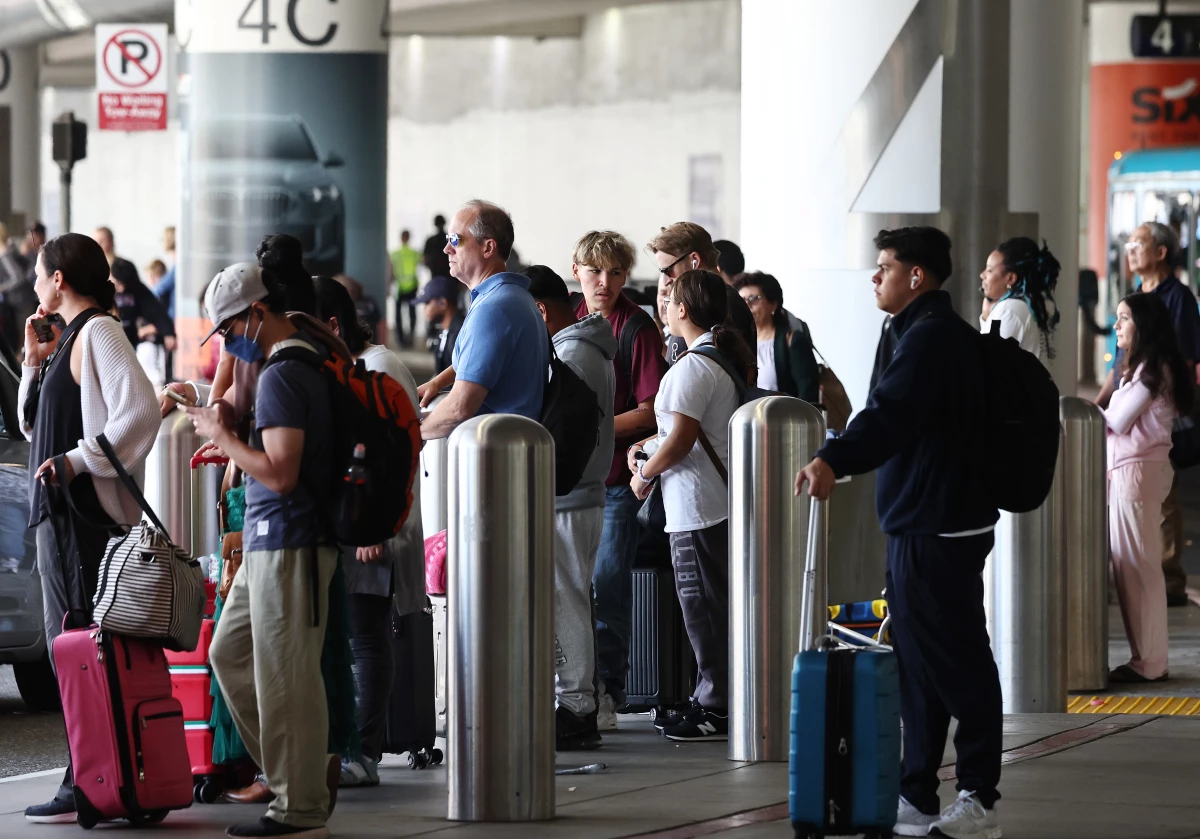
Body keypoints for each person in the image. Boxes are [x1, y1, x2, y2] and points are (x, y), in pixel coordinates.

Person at [794, 227, 1003, 839]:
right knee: (919, 661)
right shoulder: (906, 331)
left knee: (958, 659)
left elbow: (891, 415)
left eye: (884, 266)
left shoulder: (934, 338)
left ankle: (979, 798)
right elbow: (884, 412)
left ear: (917, 276)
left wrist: (836, 459)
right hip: (918, 519)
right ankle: (919, 794)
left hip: (943, 524)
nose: (874, 276)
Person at [187, 264, 341, 839]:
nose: (227, 343)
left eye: (228, 330)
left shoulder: (285, 374)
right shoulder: (292, 363)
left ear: (256, 313)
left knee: (285, 677)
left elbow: (280, 473)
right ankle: (300, 768)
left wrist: (221, 436)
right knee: (231, 655)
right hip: (269, 542)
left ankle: (295, 805)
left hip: (292, 542)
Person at [18, 233, 160, 824]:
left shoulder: (100, 330)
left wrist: (78, 461)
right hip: (61, 516)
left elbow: (142, 408)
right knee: (68, 648)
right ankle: (92, 772)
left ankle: (92, 778)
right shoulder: (70, 337)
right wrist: (32, 362)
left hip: (82, 519)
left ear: (60, 280)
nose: (32, 280)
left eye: (38, 271)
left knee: (78, 646)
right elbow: (33, 428)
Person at [627, 269, 750, 742]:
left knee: (702, 606)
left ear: (682, 309)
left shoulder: (692, 368)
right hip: (706, 505)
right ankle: (710, 696)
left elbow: (680, 440)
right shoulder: (711, 361)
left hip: (698, 508)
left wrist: (644, 472)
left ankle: (716, 706)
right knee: (707, 605)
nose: (662, 304)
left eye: (668, 297)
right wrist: (651, 452)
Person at [311, 277, 425, 784]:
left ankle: (365, 752)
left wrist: (377, 525)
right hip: (355, 527)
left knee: (366, 638)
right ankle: (351, 746)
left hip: (373, 531)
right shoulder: (351, 367)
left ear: (333, 326)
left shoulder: (378, 370)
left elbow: (390, 457)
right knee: (357, 636)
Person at [569, 231, 666, 727]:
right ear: (576, 270)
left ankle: (609, 689)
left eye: (613, 273)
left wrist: (593, 427)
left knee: (607, 585)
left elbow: (651, 411)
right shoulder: (563, 316)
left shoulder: (637, 329)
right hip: (565, 484)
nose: (602, 282)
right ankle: (575, 689)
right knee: (568, 586)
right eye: (594, 271)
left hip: (613, 484)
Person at [525, 264, 616, 750]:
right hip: (582, 492)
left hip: (569, 493)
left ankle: (578, 707)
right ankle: (582, 699)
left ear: (540, 310)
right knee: (572, 595)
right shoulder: (586, 346)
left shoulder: (574, 352)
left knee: (566, 600)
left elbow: (562, 428)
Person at [1098, 222, 1200, 608]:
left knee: (1163, 493)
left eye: (1139, 244)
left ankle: (1169, 576)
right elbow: (1119, 362)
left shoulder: (1179, 299)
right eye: (1129, 244)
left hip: (1157, 404)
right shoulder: (1134, 298)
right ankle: (1142, 568)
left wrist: (1169, 401)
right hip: (1130, 399)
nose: (1130, 251)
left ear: (1161, 252)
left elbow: (1184, 360)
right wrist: (1104, 400)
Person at [1104, 293, 1192, 684]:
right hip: (1133, 472)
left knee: (1139, 568)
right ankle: (1146, 658)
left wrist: (1092, 411)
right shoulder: (1143, 368)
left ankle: (1150, 662)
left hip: (1137, 473)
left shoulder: (1153, 370)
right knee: (1132, 568)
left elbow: (1118, 420)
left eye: (1124, 318)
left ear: (1144, 324)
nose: (1117, 326)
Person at [417, 200, 548, 439]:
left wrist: (407, 436)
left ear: (488, 248)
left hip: (496, 452)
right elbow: (477, 361)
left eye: (455, 240)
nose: (447, 249)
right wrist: (437, 382)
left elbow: (459, 408)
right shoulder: (509, 296)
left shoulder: (494, 310)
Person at [648, 223, 755, 365]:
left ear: (695, 261)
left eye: (668, 270)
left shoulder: (725, 303)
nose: (667, 281)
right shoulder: (700, 300)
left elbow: (720, 373)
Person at [733, 272, 819, 400]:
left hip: (783, 417)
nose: (748, 305)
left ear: (773, 304)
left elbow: (808, 395)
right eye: (742, 300)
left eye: (754, 298)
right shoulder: (737, 343)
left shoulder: (792, 341)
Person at [979, 237, 1061, 362]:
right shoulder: (1035, 304)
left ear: (1011, 279)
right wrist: (986, 316)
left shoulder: (1009, 310)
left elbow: (987, 363)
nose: (982, 275)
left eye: (990, 270)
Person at [416, 275, 463, 376]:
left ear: (442, 303)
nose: (424, 308)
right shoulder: (442, 330)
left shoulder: (461, 333)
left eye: (427, 303)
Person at [389, 229, 421, 347]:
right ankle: (411, 337)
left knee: (398, 315)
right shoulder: (414, 253)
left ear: (401, 238)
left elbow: (391, 272)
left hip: (399, 287)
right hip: (412, 286)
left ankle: (400, 339)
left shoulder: (395, 254)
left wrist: (389, 286)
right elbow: (421, 262)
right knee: (412, 313)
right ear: (409, 238)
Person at [155, 226, 177, 320]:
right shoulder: (175, 264)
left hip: (173, 317)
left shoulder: (178, 266)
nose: (161, 242)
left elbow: (159, 289)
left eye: (163, 239)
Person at [423, 213, 452, 279]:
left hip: (437, 276)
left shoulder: (430, 240)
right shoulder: (449, 238)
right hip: (449, 276)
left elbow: (425, 260)